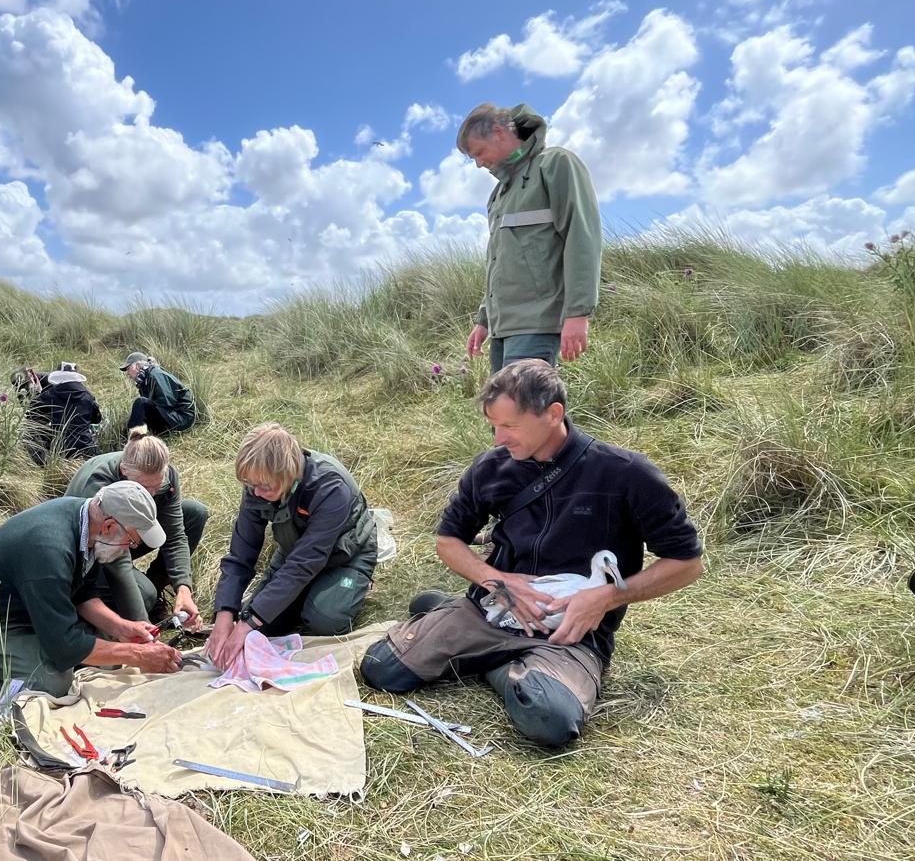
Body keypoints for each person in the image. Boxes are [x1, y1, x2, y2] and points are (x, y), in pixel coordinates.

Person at [359, 360, 704, 747]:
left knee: (550, 719)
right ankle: (481, 640)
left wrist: (607, 596)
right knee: (381, 670)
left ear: (553, 413)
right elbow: (448, 540)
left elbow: (687, 563)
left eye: (510, 426)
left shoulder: (626, 474)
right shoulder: (491, 468)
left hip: (569, 633)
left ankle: (494, 656)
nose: (497, 439)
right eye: (493, 425)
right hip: (493, 608)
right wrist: (497, 580)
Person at [0, 480, 182, 696]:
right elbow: (65, 645)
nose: (127, 550)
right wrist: (137, 655)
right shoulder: (48, 549)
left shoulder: (88, 521)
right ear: (109, 527)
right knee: (52, 684)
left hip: (34, 608)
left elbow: (83, 594)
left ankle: (35, 649)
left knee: (110, 658)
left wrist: (121, 628)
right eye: (131, 542)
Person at [207, 423, 377, 670]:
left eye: (264, 487)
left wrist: (246, 624)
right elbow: (241, 554)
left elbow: (304, 563)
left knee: (323, 621)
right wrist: (225, 615)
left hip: (345, 557)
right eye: (251, 485)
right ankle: (304, 598)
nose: (256, 492)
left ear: (288, 473)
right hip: (293, 551)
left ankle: (348, 588)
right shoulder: (259, 484)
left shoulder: (330, 486)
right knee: (259, 627)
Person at [457, 103, 602, 371]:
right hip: (504, 327)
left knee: (526, 410)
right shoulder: (499, 194)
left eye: (479, 152)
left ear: (499, 132)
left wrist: (578, 313)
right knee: (507, 411)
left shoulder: (556, 164)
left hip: (537, 321)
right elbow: (498, 261)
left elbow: (582, 236)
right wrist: (484, 320)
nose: (478, 163)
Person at [64, 427, 209, 629]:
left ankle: (155, 590)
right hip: (93, 555)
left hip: (128, 533)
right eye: (143, 488)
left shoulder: (166, 478)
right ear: (124, 471)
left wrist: (183, 588)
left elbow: (175, 536)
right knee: (144, 595)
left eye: (155, 487)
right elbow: (115, 561)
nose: (150, 495)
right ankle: (120, 611)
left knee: (194, 513)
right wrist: (143, 627)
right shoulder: (100, 485)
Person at [25, 361, 102, 465]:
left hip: (62, 450)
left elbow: (31, 413)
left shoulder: (50, 395)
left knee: (29, 434)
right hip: (87, 449)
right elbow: (96, 419)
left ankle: (42, 464)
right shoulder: (88, 396)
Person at [119, 352, 196, 436]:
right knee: (142, 406)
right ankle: (130, 437)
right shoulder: (146, 378)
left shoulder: (155, 375)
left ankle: (133, 441)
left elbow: (168, 402)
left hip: (181, 420)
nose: (127, 373)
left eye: (128, 368)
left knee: (141, 403)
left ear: (137, 366)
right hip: (173, 417)